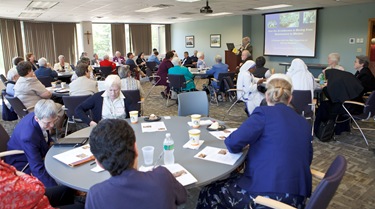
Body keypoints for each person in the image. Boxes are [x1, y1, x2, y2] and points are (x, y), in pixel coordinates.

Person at [197, 75, 313, 209]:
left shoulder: (263, 113)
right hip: (297, 197)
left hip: (268, 196)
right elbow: (307, 159)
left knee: (209, 191)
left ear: (267, 97)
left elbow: (232, 143)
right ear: (290, 98)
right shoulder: (304, 122)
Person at [85, 119, 187, 209]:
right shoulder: (162, 176)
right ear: (136, 149)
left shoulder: (95, 195)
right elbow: (182, 197)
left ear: (98, 162)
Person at [5, 99, 60, 187]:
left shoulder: (40, 115)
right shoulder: (28, 136)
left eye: (54, 121)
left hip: (36, 148)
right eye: (48, 123)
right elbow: (37, 168)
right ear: (37, 119)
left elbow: (45, 133)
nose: (52, 125)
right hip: (22, 160)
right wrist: (56, 189)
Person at [0, 161, 82, 208]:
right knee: (85, 206)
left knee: (66, 190)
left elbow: (11, 169)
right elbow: (38, 190)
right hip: (34, 200)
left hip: (32, 198)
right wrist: (23, 175)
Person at [14, 61, 65, 131]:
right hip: (36, 109)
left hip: (24, 110)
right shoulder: (31, 81)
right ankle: (55, 129)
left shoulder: (19, 81)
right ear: (29, 71)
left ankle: (49, 129)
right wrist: (36, 79)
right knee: (61, 108)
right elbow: (47, 95)